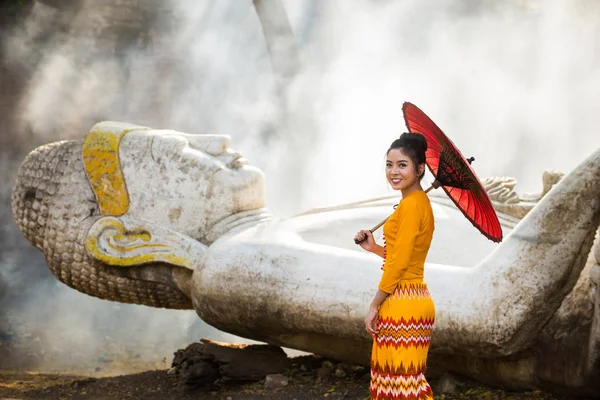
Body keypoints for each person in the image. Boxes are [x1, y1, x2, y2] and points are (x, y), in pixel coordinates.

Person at [354, 132, 436, 400]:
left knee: (400, 389)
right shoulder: (414, 203)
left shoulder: (412, 206)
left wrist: (374, 305)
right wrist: (375, 248)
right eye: (389, 164)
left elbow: (399, 264)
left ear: (420, 168)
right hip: (413, 298)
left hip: (403, 302)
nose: (393, 171)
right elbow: (403, 257)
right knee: (401, 387)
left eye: (402, 164)